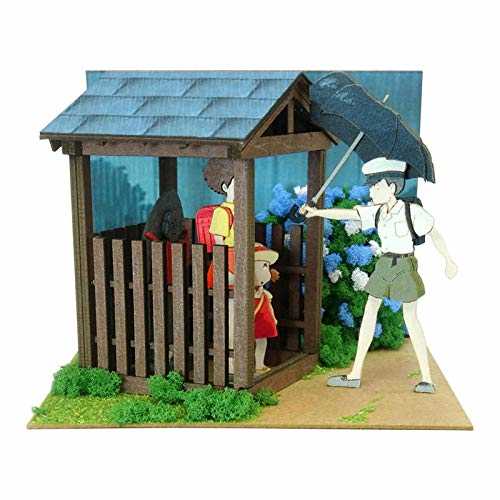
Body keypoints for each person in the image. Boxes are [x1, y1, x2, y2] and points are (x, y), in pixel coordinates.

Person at [304, 157, 458, 393]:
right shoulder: (377, 212)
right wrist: (317, 212)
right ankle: (355, 373)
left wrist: (448, 259)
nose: (372, 191)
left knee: (410, 317)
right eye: (371, 187)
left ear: (392, 187)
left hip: (405, 265)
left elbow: (434, 233)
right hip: (384, 264)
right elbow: (348, 214)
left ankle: (427, 378)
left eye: (377, 186)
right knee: (370, 310)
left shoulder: (412, 211)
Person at [254, 243, 280, 374]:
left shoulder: (265, 294)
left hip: (262, 319)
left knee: (262, 340)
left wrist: (273, 318)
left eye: (266, 266)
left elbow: (269, 306)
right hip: (250, 319)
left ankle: (259, 363)